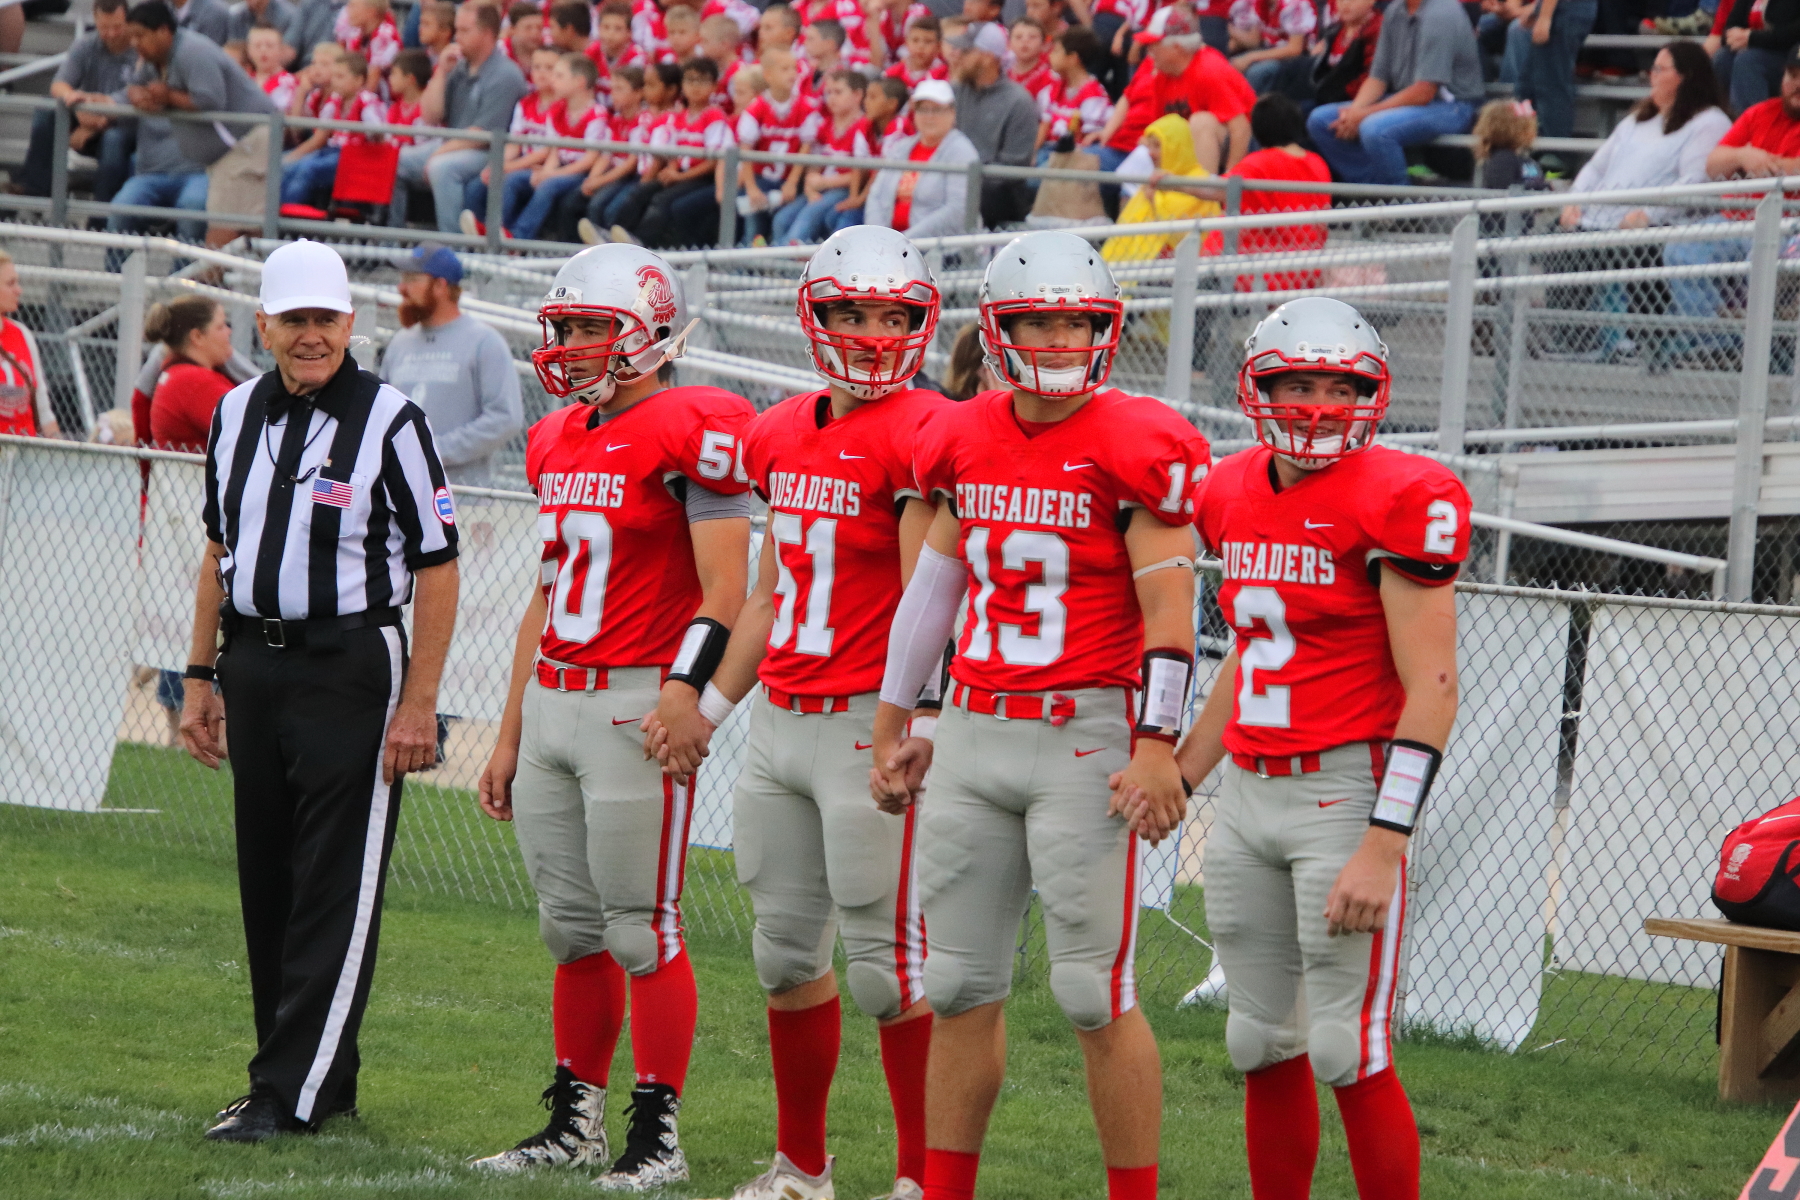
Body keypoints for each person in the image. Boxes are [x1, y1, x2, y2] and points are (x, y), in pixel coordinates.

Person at [869, 230, 1211, 1200]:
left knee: (1093, 992)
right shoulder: (962, 431)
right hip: (974, 730)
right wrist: (901, 718)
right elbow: (934, 587)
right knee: (961, 984)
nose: (1058, 337)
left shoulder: (1139, 442)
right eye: (1037, 320)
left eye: (1076, 319)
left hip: (1084, 734)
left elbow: (1170, 620)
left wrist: (1158, 746)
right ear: (999, 328)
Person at [1133, 295, 1467, 1200]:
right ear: (1256, 389)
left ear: (1371, 393)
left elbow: (1433, 689)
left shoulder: (1404, 495)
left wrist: (1383, 840)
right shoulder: (1231, 488)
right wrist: (1183, 775)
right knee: (1258, 1038)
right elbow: (1252, 652)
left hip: (1343, 792)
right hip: (1249, 795)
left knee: (1346, 1048)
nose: (1318, 404)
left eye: (1336, 385)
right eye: (1298, 383)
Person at [642, 225, 949, 1200]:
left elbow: (927, 602)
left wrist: (912, 729)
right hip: (783, 720)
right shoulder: (779, 432)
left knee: (890, 969)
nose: (870, 333)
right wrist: (714, 705)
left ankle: (919, 1178)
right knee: (782, 955)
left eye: (892, 315)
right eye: (852, 312)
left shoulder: (922, 430)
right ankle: (802, 1170)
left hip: (868, 719)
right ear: (815, 317)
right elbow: (774, 594)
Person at [471, 243, 754, 1188]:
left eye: (597, 327)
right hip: (554, 698)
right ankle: (573, 1123)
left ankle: (656, 1136)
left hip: (639, 699)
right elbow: (543, 598)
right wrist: (509, 732)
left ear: (652, 331)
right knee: (570, 927)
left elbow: (726, 589)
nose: (578, 346)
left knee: (643, 927)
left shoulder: (698, 423)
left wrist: (683, 695)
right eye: (569, 329)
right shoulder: (557, 435)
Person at [182, 239, 459, 1142]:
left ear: (352, 323)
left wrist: (419, 704)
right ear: (262, 324)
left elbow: (438, 567)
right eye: (293, 319)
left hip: (350, 667)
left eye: (325, 320)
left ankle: (286, 1093)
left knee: (334, 883)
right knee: (269, 879)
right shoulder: (230, 412)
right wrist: (198, 676)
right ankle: (307, 1080)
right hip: (253, 664)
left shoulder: (392, 421)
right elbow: (219, 554)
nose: (310, 336)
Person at [1662, 40, 1799, 364]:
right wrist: (1742, 154)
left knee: (1764, 256)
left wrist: (1769, 163)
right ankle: (1717, 343)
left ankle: (1766, 350)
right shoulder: (1759, 113)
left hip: (1789, 225)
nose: (1796, 84)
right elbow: (1714, 163)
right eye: (1792, 74)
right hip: (1736, 218)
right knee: (1680, 249)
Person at [122, 0, 280, 248]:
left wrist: (168, 96)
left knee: (224, 226)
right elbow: (136, 85)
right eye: (131, 37)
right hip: (228, 151)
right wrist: (136, 94)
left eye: (140, 36)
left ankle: (197, 285)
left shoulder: (192, 52)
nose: (134, 43)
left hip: (244, 142)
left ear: (163, 31)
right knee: (249, 229)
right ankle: (254, 281)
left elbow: (210, 99)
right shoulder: (157, 57)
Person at [379, 244, 523, 487]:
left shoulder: (484, 341)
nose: (401, 288)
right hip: (400, 495)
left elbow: (505, 418)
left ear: (440, 286)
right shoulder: (400, 342)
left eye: (412, 279)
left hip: (463, 499)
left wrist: (434, 450)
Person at [1304, 0, 1482, 187]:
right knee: (1320, 120)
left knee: (1376, 130)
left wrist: (1363, 114)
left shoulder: (1441, 13)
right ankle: (1372, 191)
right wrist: (1352, 114)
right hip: (1407, 99)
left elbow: (1424, 92)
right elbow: (1378, 77)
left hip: (1453, 106)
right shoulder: (1394, 10)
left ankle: (1401, 204)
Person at [407, 2, 530, 235]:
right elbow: (430, 115)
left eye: (464, 31)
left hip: (489, 152)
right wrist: (441, 72)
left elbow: (483, 135)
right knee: (398, 160)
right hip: (453, 144)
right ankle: (391, 240)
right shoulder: (458, 66)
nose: (456, 37)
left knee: (442, 168)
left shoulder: (505, 74)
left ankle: (455, 247)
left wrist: (437, 154)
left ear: (485, 34)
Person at [1094, 5, 1253, 183]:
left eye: (1154, 44)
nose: (1149, 51)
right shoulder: (1163, 76)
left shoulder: (1209, 69)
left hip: (1246, 150)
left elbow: (1241, 129)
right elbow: (1161, 128)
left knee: (1201, 122)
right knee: (1147, 147)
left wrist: (1231, 180)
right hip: (1198, 149)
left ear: (1176, 47)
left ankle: (1202, 197)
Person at [1201, 92, 1331, 291]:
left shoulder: (1260, 162)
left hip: (1258, 272)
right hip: (1306, 271)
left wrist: (1170, 182)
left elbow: (1215, 191)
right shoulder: (1317, 162)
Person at [13, 0, 136, 204]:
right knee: (47, 110)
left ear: (128, 21)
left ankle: (101, 219)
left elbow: (135, 100)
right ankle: (35, 195)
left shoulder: (139, 50)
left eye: (117, 27)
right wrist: (78, 108)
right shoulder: (86, 44)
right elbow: (59, 85)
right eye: (104, 28)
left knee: (115, 140)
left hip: (124, 126)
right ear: (95, 21)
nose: (112, 34)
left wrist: (92, 127)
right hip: (88, 117)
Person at [632, 56, 733, 249]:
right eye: (690, 80)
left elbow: (713, 162)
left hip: (702, 178)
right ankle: (619, 239)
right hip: (680, 174)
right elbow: (674, 152)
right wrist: (671, 170)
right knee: (640, 193)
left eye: (702, 81)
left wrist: (679, 176)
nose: (695, 86)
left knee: (668, 203)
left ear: (714, 86)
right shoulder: (679, 116)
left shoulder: (714, 116)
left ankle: (642, 247)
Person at [947, 22, 1038, 227]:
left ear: (987, 56)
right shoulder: (955, 91)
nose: (957, 55)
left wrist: (965, 181)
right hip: (956, 186)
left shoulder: (1018, 101)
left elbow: (1013, 168)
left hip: (996, 201)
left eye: (966, 51)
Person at [865, 78, 981, 238]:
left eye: (937, 110)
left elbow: (958, 209)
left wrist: (906, 242)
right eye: (923, 110)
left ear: (952, 113)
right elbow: (876, 195)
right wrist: (880, 236)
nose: (929, 116)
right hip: (889, 244)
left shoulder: (962, 152)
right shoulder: (901, 148)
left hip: (937, 250)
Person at [1100, 112, 1221, 262]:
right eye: (1149, 145)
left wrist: (1154, 202)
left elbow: (1185, 241)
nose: (1150, 153)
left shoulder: (1200, 183)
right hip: (1140, 268)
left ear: (1176, 147)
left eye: (1157, 146)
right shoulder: (1152, 182)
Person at [736, 47, 823, 245]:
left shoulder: (806, 108)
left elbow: (805, 147)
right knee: (754, 231)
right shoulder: (755, 109)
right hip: (760, 179)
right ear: (768, 75)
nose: (792, 74)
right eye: (784, 69)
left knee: (779, 224)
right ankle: (743, 271)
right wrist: (751, 187)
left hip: (787, 180)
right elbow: (746, 151)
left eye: (793, 69)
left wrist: (792, 182)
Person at [771, 67, 867, 244]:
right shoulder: (824, 125)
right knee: (781, 219)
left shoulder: (864, 127)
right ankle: (775, 263)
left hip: (843, 189)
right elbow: (813, 163)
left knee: (808, 217)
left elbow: (864, 173)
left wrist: (825, 183)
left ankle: (778, 262)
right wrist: (809, 188)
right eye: (828, 92)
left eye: (838, 92)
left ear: (857, 95)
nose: (831, 97)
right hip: (819, 187)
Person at [281, 50, 383, 208]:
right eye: (334, 76)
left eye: (340, 77)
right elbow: (320, 134)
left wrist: (368, 130)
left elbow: (378, 132)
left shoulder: (367, 101)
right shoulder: (334, 101)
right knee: (287, 167)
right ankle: (276, 213)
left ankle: (288, 216)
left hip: (356, 156)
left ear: (358, 80)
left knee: (307, 168)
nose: (334, 81)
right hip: (332, 150)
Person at [144, 295, 237, 453]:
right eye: (220, 327)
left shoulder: (179, 374)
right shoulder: (192, 380)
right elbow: (252, 430)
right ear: (197, 337)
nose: (229, 332)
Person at [1497, 0, 1597, 139]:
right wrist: (1537, 11)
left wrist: (1544, 17)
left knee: (1552, 85)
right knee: (1526, 88)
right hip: (1561, 10)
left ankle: (1554, 151)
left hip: (1564, 11)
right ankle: (1525, 142)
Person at [0, 251, 55, 438]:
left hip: (26, 458)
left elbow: (41, 406)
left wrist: (58, 452)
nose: (19, 290)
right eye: (10, 283)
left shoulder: (21, 334)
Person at [1711, 0, 1800, 112]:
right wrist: (1735, 37)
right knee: (1723, 58)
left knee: (1748, 61)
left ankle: (1756, 122)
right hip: (1758, 53)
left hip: (1790, 56)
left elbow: (1793, 35)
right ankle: (1723, 120)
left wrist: (1752, 38)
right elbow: (1729, 27)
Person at [1228, 0, 1315, 97]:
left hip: (1297, 57)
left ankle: (1253, 109)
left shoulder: (1294, 4)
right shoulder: (1259, 4)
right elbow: (1254, 41)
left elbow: (1295, 49)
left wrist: (1250, 57)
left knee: (1256, 73)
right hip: (1268, 49)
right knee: (1231, 65)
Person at [1308, 0, 1380, 110]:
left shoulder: (1376, 30)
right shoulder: (1333, 31)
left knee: (1317, 117)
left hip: (1357, 99)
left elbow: (1373, 76)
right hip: (1327, 94)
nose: (1346, 4)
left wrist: (1339, 94)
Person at [886, 11, 946, 85]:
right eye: (915, 40)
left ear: (939, 47)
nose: (920, 46)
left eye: (928, 41)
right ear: (906, 43)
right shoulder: (893, 73)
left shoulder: (943, 74)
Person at [226, 0, 295, 50]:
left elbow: (288, 51)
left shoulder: (286, 16)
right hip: (245, 65)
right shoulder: (237, 15)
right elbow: (234, 50)